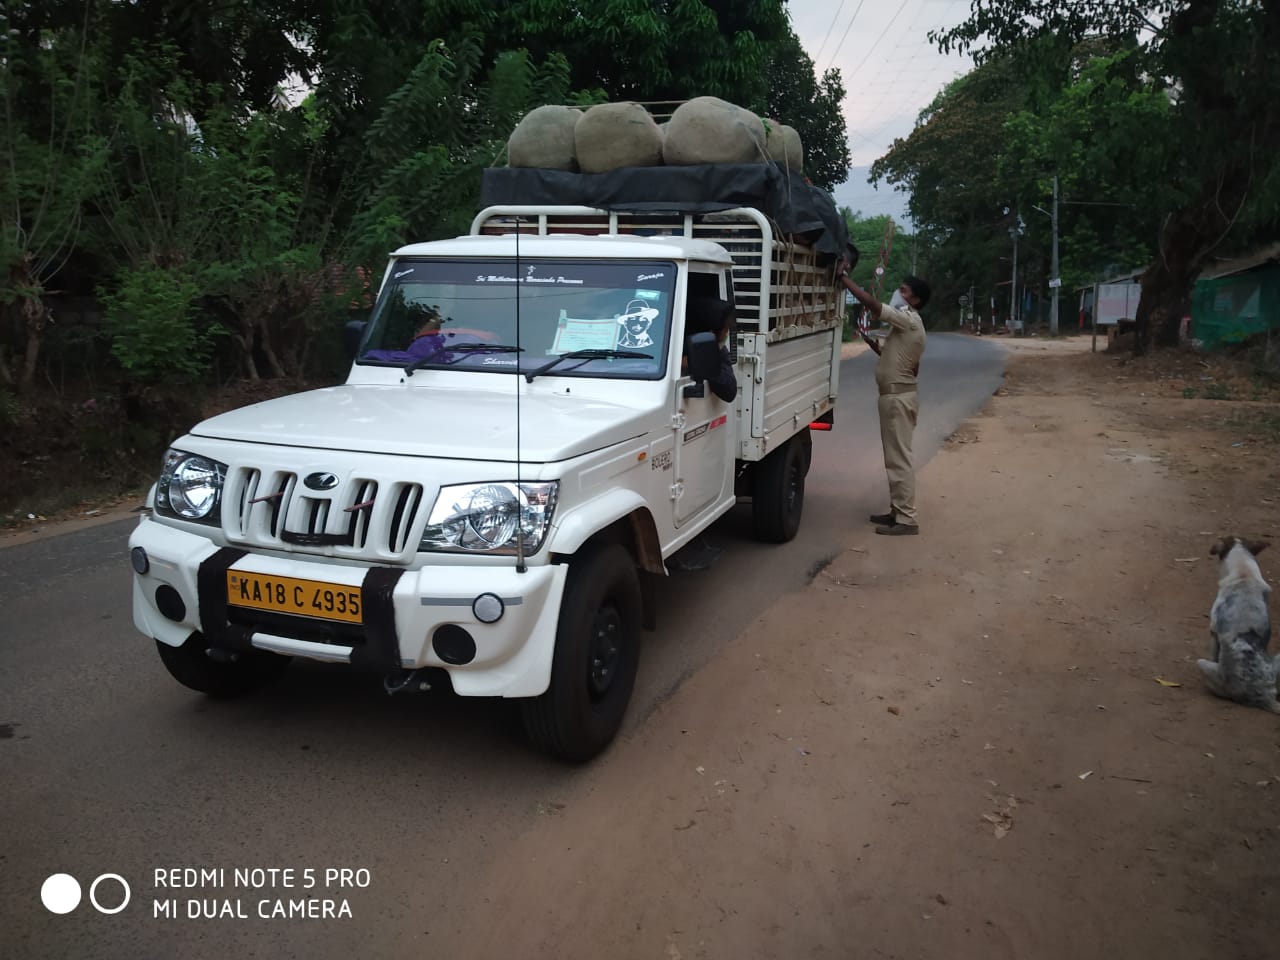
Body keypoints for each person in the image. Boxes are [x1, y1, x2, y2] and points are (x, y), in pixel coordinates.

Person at [836, 265, 931, 536]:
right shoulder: (909, 325)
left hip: (898, 398)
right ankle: (898, 511)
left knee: (898, 459)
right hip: (898, 396)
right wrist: (877, 347)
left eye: (904, 290)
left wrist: (844, 279)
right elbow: (908, 365)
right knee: (895, 458)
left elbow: (872, 305)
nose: (898, 293)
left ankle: (906, 519)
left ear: (915, 300)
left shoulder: (908, 318)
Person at [681, 298, 737, 402]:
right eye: (725, 329)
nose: (727, 334)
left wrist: (700, 362)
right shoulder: (673, 342)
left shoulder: (716, 349)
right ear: (710, 332)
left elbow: (729, 390)